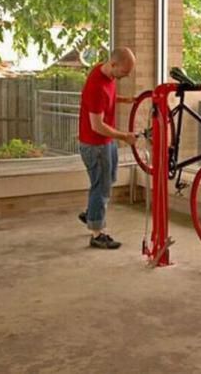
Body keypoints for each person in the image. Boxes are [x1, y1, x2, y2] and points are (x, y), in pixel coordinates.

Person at [77, 47, 137, 249]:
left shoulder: (104, 72)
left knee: (108, 179)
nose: (126, 76)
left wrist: (124, 99)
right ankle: (97, 234)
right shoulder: (96, 86)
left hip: (105, 142)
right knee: (101, 187)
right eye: (124, 72)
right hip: (95, 145)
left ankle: (91, 213)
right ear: (113, 64)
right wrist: (125, 136)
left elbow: (106, 98)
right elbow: (97, 126)